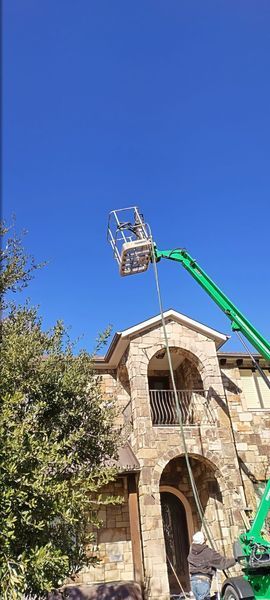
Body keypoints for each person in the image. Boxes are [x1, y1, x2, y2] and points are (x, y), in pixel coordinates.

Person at [187, 531, 236, 600]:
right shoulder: (208, 552)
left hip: (193, 581)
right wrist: (235, 559)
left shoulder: (192, 551)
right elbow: (223, 564)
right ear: (203, 540)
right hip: (203, 581)